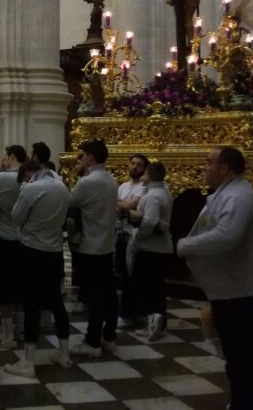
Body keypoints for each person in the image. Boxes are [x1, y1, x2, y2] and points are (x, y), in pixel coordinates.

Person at [176, 147, 253, 410]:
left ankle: (251, 404)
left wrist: (187, 245)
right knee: (237, 354)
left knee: (243, 354)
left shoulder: (238, 195)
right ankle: (244, 401)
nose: (204, 166)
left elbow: (228, 235)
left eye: (209, 162)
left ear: (224, 168)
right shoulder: (228, 192)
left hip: (241, 288)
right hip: (232, 284)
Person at [4, 160, 72, 378]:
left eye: (23, 177)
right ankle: (64, 354)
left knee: (30, 303)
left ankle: (28, 362)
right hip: (54, 250)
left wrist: (24, 189)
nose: (24, 180)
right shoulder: (62, 187)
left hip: (32, 250)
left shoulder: (31, 188)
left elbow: (16, 217)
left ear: (28, 173)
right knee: (56, 302)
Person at [69, 140, 119, 357]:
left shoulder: (88, 182)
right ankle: (109, 336)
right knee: (108, 293)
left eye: (82, 155)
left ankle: (92, 342)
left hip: (91, 245)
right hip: (107, 244)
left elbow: (69, 203)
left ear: (90, 157)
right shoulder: (110, 179)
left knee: (95, 296)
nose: (80, 159)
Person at [128, 161, 173, 341]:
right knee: (155, 287)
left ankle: (154, 324)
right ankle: (157, 324)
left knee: (148, 288)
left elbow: (149, 222)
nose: (141, 177)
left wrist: (138, 236)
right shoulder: (164, 192)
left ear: (150, 175)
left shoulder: (153, 196)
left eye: (144, 174)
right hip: (158, 248)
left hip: (151, 248)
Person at [0, 144, 26, 348]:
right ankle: (21, 329)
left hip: (1, 237)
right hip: (23, 238)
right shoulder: (30, 178)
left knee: (4, 286)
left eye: (5, 155)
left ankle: (8, 334)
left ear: (11, 156)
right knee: (20, 285)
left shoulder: (3, 178)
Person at [115, 153, 148, 325]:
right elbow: (118, 206)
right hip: (121, 233)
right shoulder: (124, 186)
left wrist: (122, 205)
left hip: (134, 235)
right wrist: (123, 205)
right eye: (132, 163)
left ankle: (131, 313)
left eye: (139, 164)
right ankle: (126, 311)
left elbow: (127, 206)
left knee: (132, 275)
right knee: (123, 274)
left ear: (144, 169)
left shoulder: (144, 187)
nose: (134, 167)